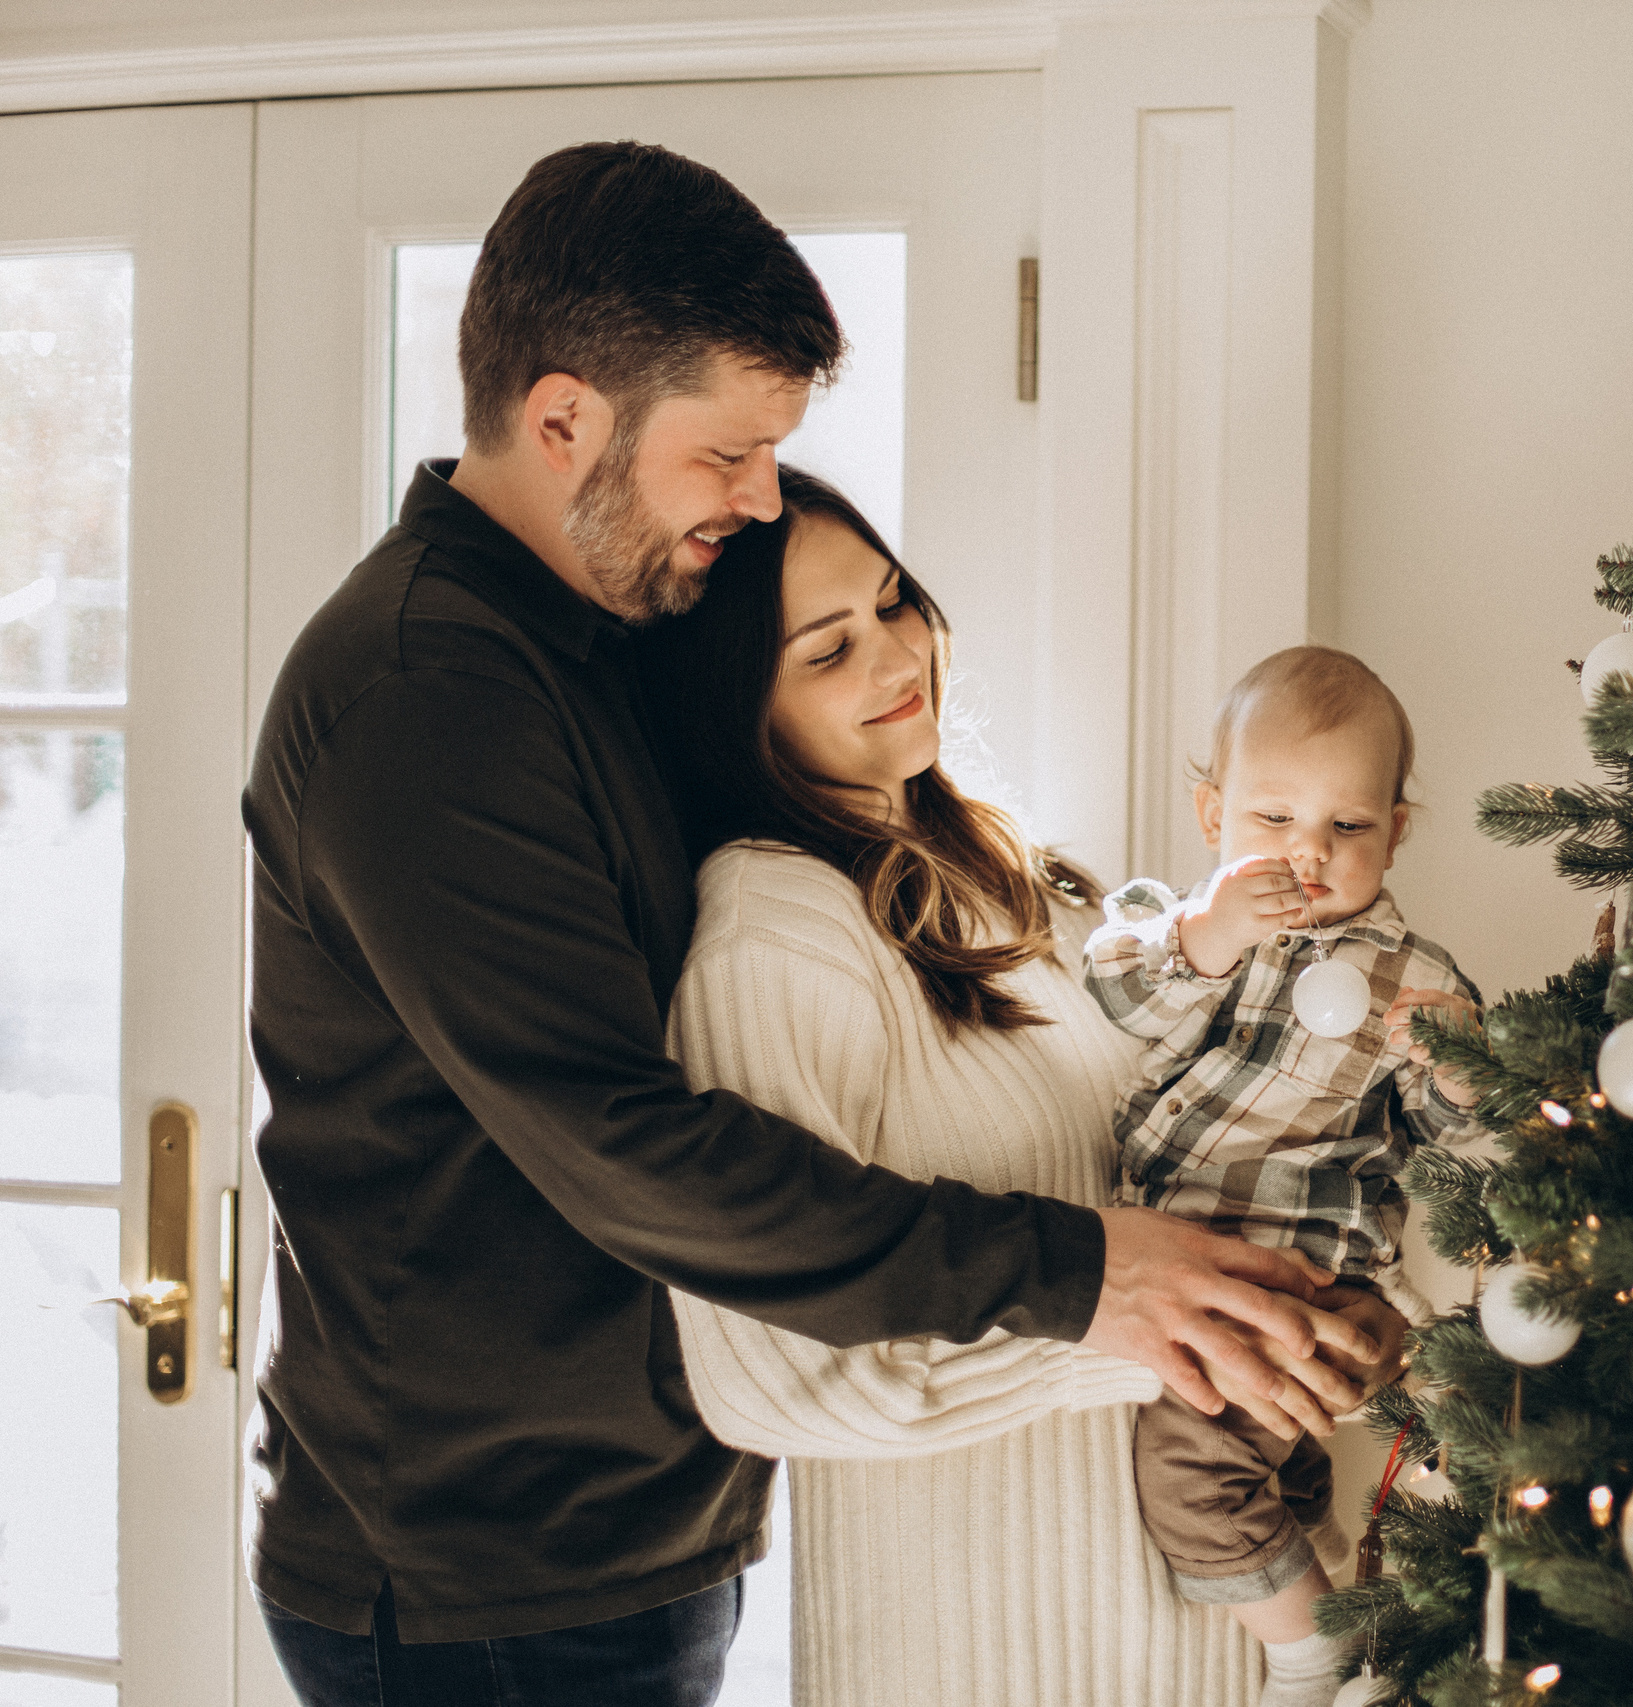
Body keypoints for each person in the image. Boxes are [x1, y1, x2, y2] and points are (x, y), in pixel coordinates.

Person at [241, 141, 1365, 1707]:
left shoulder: (595, 638)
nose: (761, 499)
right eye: (729, 454)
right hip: (484, 1573)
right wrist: (1081, 1274)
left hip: (626, 1531)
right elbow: (623, 1139)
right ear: (563, 417)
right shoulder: (430, 689)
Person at [647, 469, 1411, 1705]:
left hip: (1232, 1657)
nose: (898, 656)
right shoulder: (778, 929)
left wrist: (1334, 1315)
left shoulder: (1029, 888)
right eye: (831, 648)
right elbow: (774, 1379)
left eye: (894, 604)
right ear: (740, 706)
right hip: (986, 1661)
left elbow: (1253, 1152)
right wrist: (1118, 1330)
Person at [1081, 646, 1486, 1707]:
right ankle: (1335, 1601)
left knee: (1192, 1471)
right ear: (1213, 815)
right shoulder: (1193, 929)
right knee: (1282, 1474)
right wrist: (1207, 929)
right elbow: (1112, 989)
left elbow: (1458, 1144)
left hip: (1298, 1278)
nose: (1308, 853)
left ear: (1394, 833)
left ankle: (1318, 1652)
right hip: (1197, 1261)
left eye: (1347, 828)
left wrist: (1459, 1070)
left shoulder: (1418, 978)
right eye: (1274, 821)